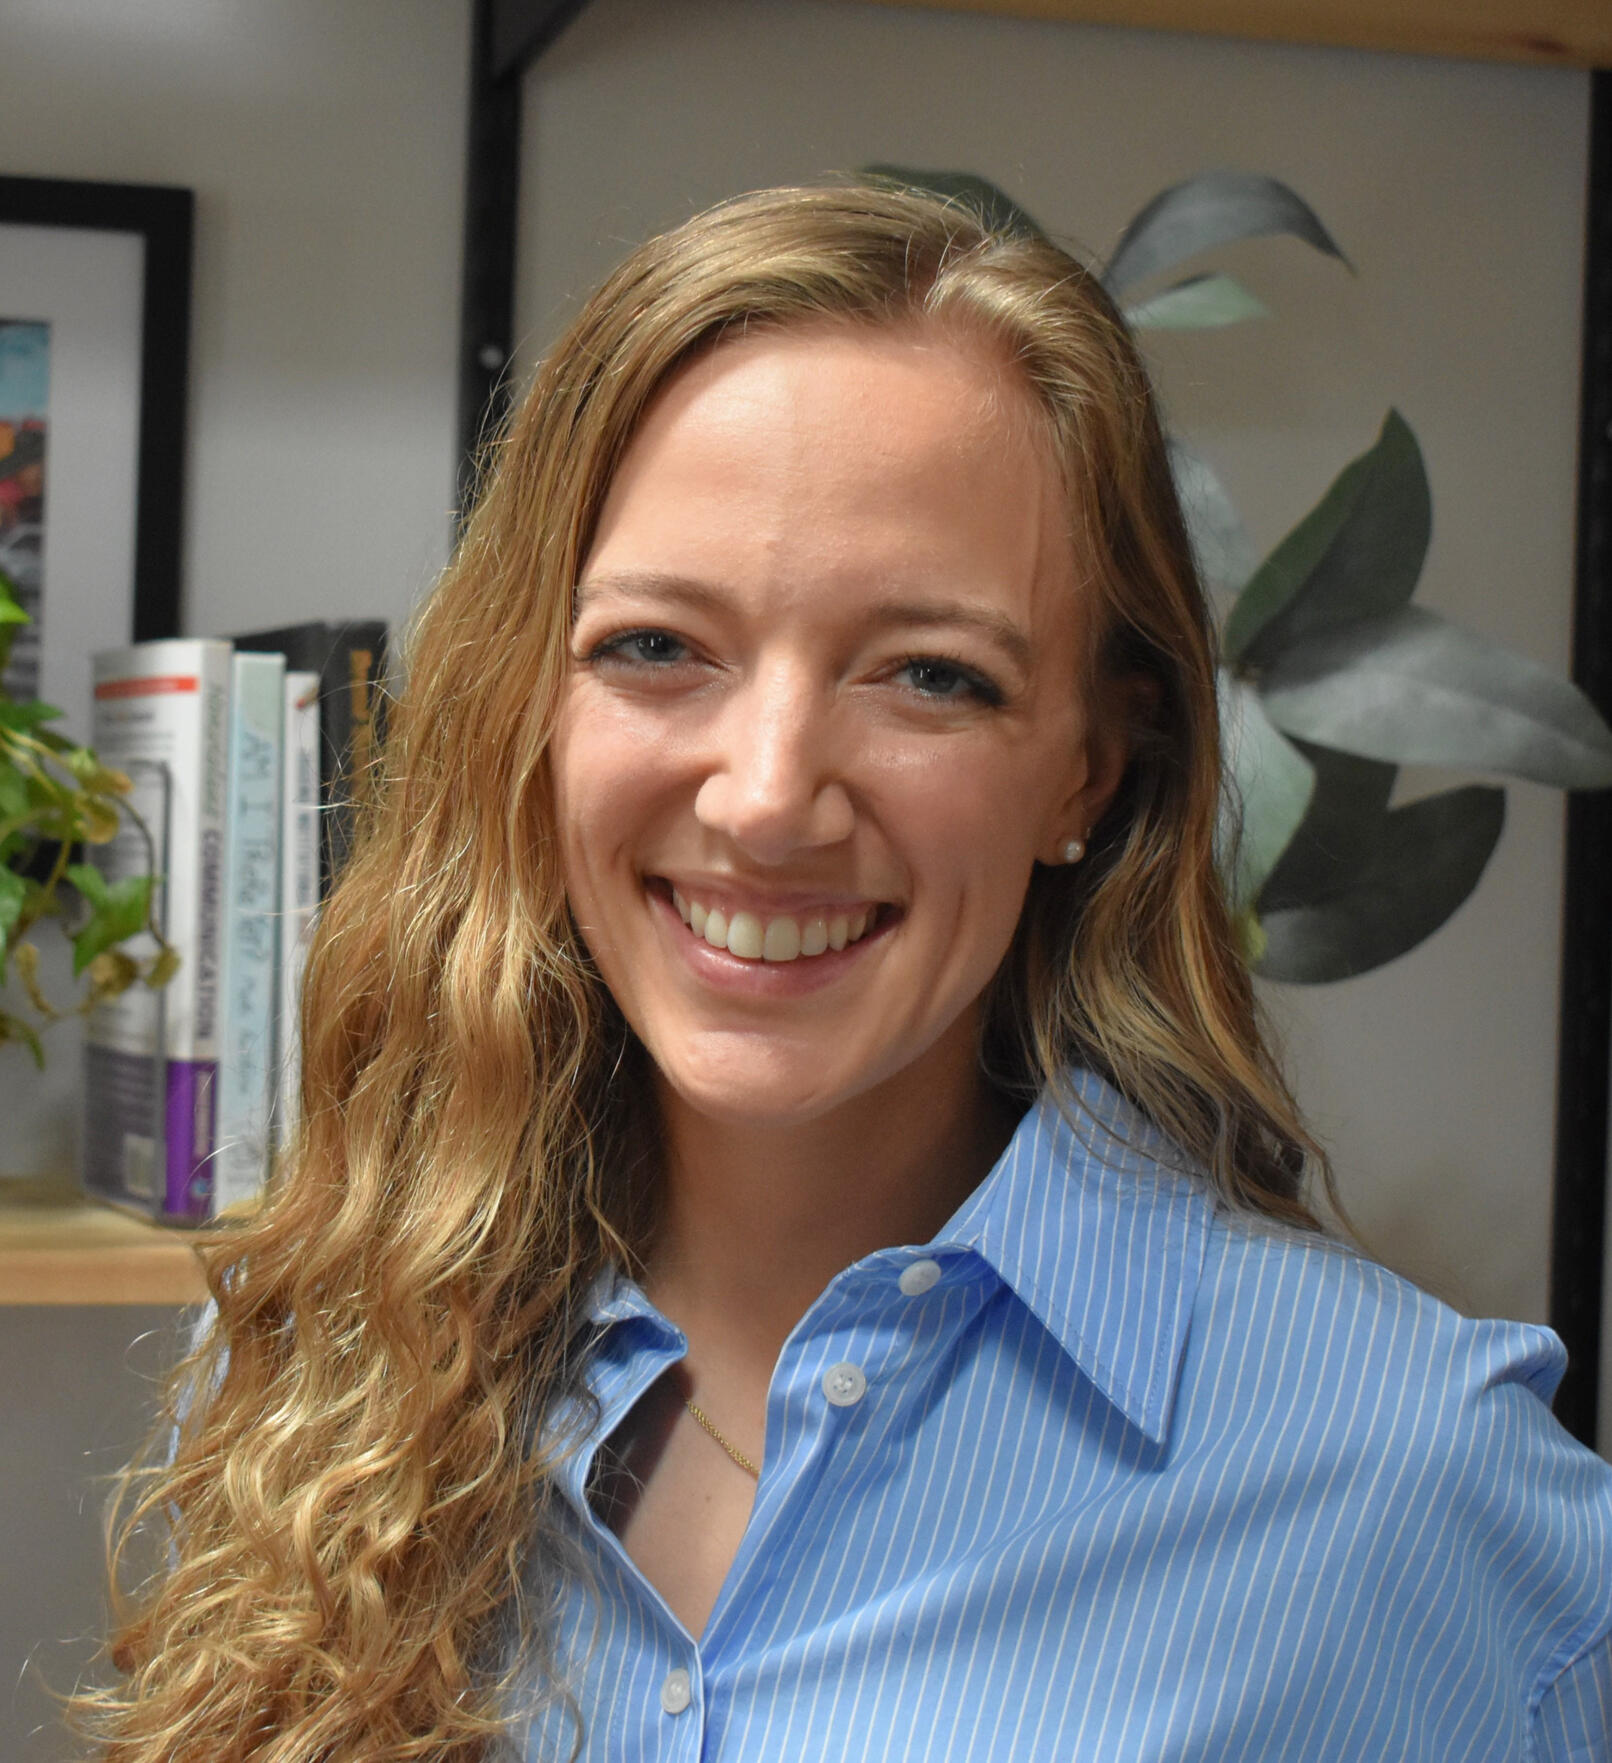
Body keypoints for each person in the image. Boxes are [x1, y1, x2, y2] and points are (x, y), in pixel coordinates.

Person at [82, 184, 1611, 1762]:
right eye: (657, 647)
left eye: (930, 676)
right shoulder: (309, 1356)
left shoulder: (1409, 1475)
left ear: (1090, 768)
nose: (764, 796)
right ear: (527, 706)